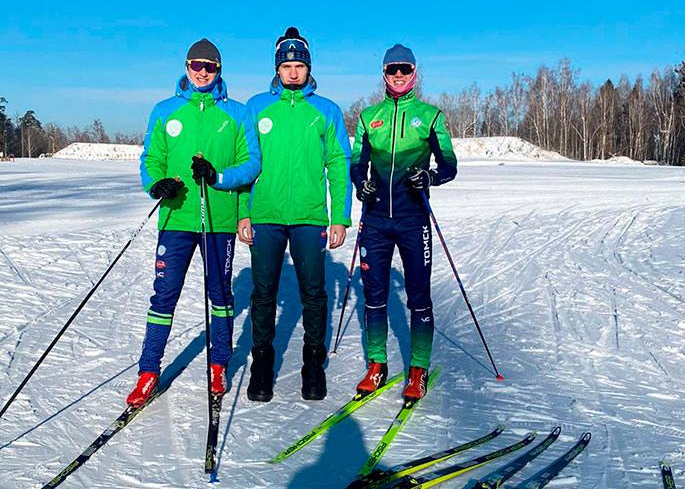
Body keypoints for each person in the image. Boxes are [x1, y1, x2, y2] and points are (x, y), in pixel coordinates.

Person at [128, 38, 261, 406]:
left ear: (219, 70)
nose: (202, 71)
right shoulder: (165, 110)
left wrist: (219, 176)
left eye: (210, 66)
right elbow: (151, 157)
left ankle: (219, 363)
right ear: (186, 67)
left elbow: (252, 164)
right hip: (176, 217)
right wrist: (156, 184)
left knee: (219, 295)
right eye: (196, 65)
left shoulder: (237, 112)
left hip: (218, 219)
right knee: (164, 294)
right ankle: (148, 371)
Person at [240, 26, 352, 402]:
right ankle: (261, 367)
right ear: (277, 67)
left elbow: (338, 164)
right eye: (286, 64)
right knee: (263, 294)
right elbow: (245, 163)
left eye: (299, 65)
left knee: (314, 294)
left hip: (309, 217)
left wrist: (340, 216)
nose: (292, 71)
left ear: (308, 68)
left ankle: (312, 367)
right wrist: (244, 212)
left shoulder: (326, 110)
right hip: (266, 215)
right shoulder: (256, 106)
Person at [350, 43, 457, 401]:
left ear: (415, 73)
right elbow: (356, 163)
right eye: (392, 70)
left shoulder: (430, 116)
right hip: (377, 220)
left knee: (418, 297)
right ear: (383, 74)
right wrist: (360, 184)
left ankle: (417, 369)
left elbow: (449, 166)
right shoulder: (369, 117)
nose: (399, 76)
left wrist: (430, 177)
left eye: (405, 70)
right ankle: (376, 365)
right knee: (374, 296)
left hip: (414, 221)